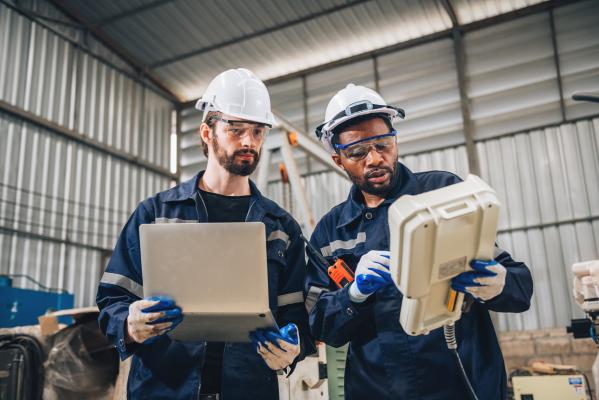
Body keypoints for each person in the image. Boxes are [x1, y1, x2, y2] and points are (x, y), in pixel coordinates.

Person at [304, 83, 533, 399]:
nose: (374, 159)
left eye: (383, 145)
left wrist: (499, 283)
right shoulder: (331, 232)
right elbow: (319, 324)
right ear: (338, 159)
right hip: (378, 389)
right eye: (357, 152)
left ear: (395, 141)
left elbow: (521, 288)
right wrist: (353, 294)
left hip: (463, 383)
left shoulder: (442, 193)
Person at [97, 68, 314, 399]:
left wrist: (290, 350)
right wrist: (129, 325)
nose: (248, 141)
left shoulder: (281, 228)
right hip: (164, 388)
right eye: (235, 128)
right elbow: (113, 298)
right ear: (206, 132)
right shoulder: (156, 214)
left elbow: (294, 313)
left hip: (249, 390)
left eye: (258, 131)